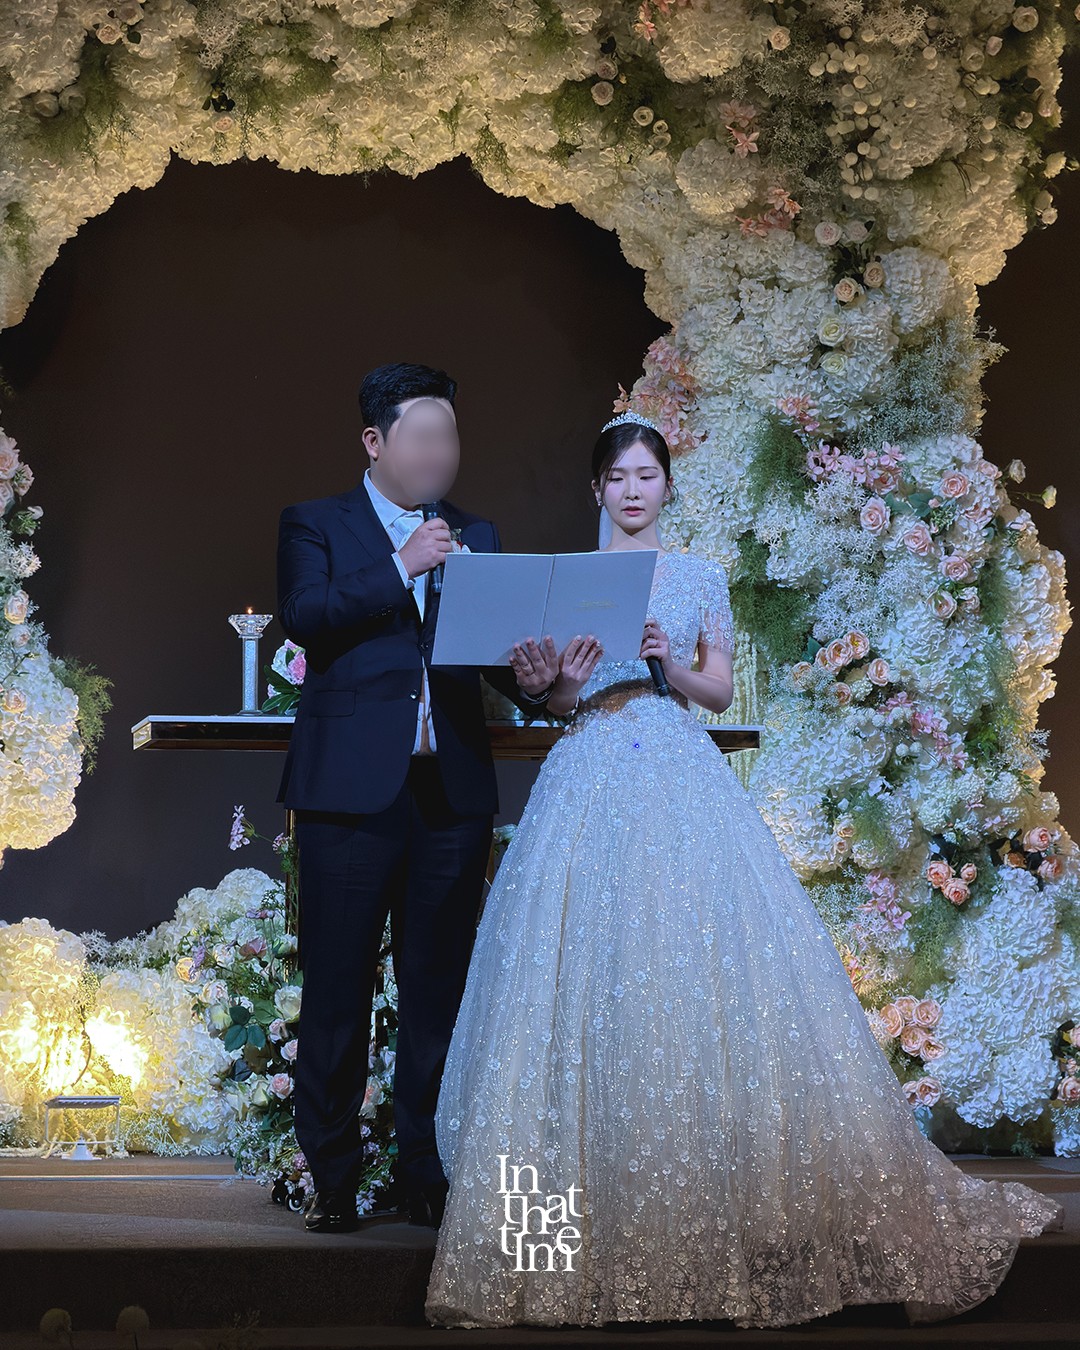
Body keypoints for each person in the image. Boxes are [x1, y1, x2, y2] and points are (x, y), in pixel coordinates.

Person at [423, 409, 1064, 1329]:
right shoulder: (569, 579)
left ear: (667, 486)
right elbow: (560, 699)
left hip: (678, 764)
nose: (633, 490)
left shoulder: (698, 575)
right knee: (574, 982)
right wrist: (543, 681)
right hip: (588, 767)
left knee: (700, 973)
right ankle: (551, 1248)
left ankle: (732, 1230)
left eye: (648, 475)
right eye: (618, 477)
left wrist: (666, 665)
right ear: (597, 487)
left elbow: (718, 687)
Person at [276, 363, 566, 1234]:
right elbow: (306, 614)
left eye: (450, 436)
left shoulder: (477, 533)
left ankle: (425, 1171)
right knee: (337, 990)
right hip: (349, 798)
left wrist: (532, 679)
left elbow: (490, 660)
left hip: (450, 796)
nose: (442, 452)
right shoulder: (316, 523)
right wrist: (403, 565)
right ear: (376, 441)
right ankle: (333, 1176)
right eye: (424, 436)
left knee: (437, 991)